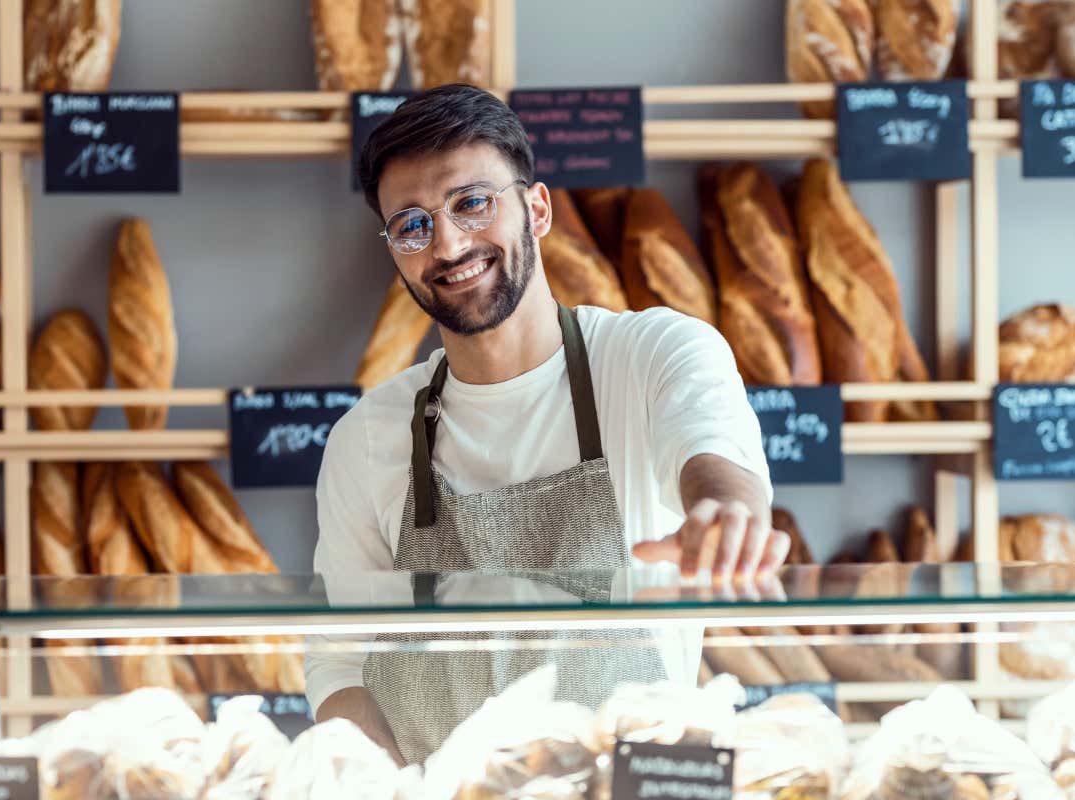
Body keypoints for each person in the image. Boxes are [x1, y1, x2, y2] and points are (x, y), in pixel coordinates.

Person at [306, 83, 790, 765]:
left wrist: (724, 513)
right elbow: (338, 663)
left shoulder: (652, 355)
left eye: (472, 202)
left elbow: (714, 457)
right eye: (412, 224)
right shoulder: (366, 437)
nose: (448, 243)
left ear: (537, 209)